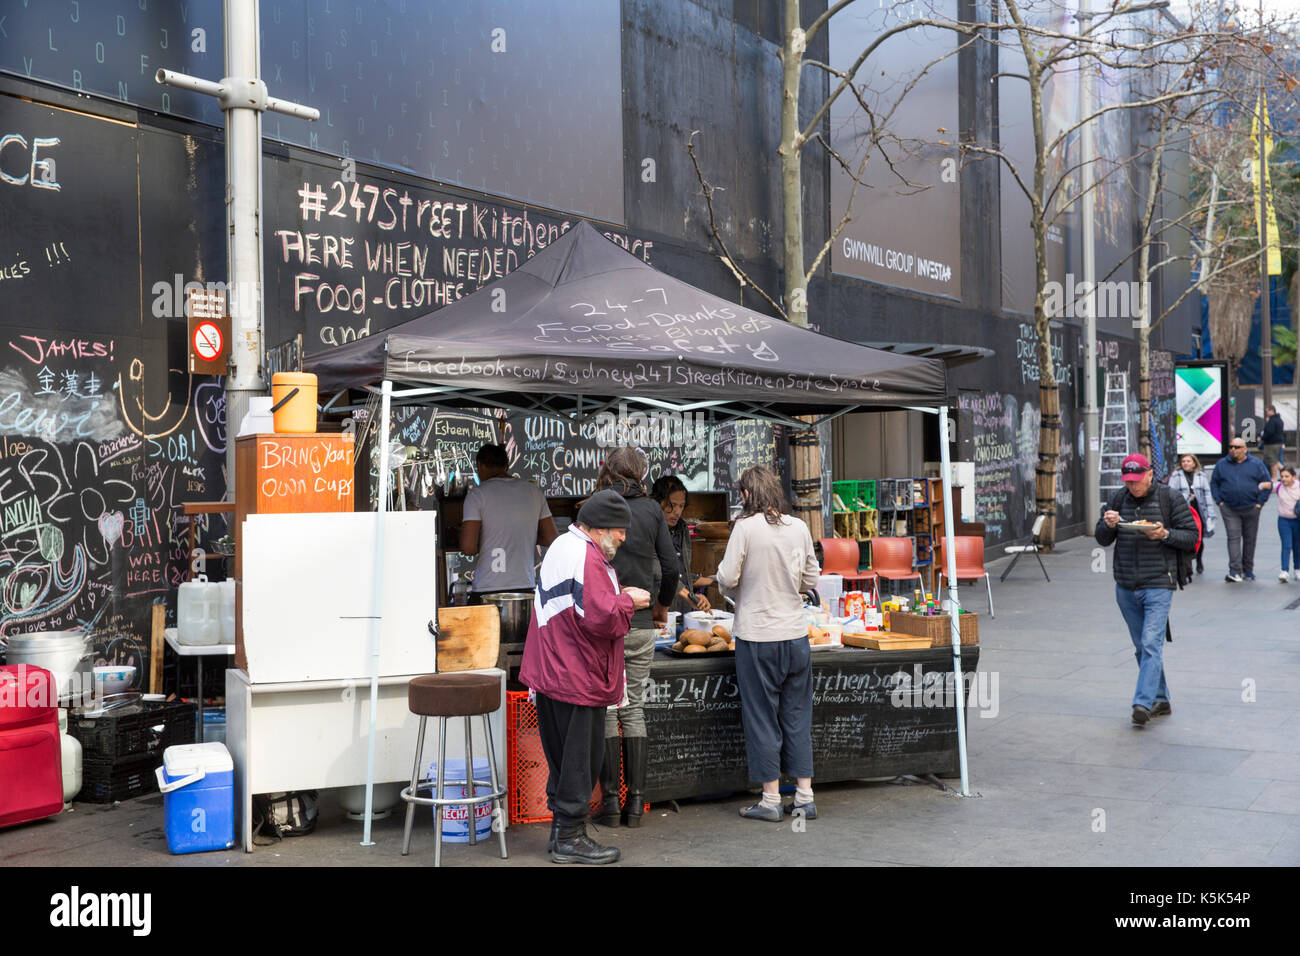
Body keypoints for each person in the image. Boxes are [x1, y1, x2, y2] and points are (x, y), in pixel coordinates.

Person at [519, 490, 651, 864]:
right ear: (600, 528)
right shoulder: (586, 556)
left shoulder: (564, 546)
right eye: (620, 530)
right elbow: (601, 618)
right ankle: (570, 839)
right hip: (576, 676)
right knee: (580, 761)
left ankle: (562, 833)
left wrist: (615, 595)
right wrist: (630, 601)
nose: (624, 538)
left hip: (555, 674)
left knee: (564, 759)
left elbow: (583, 605)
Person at [715, 465, 822, 821]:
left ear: (746, 494)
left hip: (758, 636)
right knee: (797, 715)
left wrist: (722, 582)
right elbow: (811, 577)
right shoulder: (800, 527)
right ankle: (805, 796)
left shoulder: (744, 528)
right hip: (795, 636)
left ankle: (771, 800)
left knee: (762, 717)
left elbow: (728, 577)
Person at [592, 448, 678, 828]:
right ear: (642, 473)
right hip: (641, 622)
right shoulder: (651, 510)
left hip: (603, 623)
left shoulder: (594, 507)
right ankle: (636, 803)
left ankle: (610, 803)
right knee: (635, 707)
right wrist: (661, 605)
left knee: (608, 708)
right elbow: (671, 565)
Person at [1095, 453, 1197, 725]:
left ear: (1150, 474)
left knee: (1152, 643)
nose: (1133, 487)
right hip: (1126, 585)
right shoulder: (1118, 499)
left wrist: (1165, 534)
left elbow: (1191, 537)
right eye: (1128, 482)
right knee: (1141, 646)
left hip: (1159, 583)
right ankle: (1161, 698)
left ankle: (1142, 702)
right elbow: (1102, 539)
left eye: (1137, 481)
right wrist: (1107, 524)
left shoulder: (1170, 498)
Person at [459, 443, 558, 600]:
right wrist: (525, 533)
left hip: (488, 586)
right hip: (525, 587)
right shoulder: (533, 492)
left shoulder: (477, 495)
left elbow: (468, 547)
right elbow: (551, 537)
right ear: (507, 465)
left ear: (480, 466)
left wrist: (488, 537)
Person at [1209, 438, 1273, 582]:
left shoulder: (1256, 464)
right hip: (1229, 508)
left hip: (1251, 508)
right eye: (1231, 446)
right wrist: (1219, 502)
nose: (1233, 449)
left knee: (1250, 539)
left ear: (1245, 449)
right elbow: (1214, 483)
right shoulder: (1222, 464)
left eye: (1237, 447)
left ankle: (1248, 570)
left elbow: (1268, 483)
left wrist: (1259, 504)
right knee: (1233, 538)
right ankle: (1234, 570)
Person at [650, 474, 715, 616]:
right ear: (657, 502)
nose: (678, 512)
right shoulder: (649, 529)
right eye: (672, 505)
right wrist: (689, 595)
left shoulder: (682, 529)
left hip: (682, 610)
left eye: (681, 506)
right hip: (658, 612)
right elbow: (658, 572)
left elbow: (681, 573)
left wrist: (710, 582)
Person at [1168, 454, 1217, 575]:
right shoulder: (1176, 475)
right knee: (1185, 538)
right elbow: (1171, 493)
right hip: (1183, 511)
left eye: (1188, 461)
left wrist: (1211, 513)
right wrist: (1187, 497)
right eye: (1183, 461)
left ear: (1194, 463)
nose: (1185, 463)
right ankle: (1187, 564)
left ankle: (1199, 560)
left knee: (1199, 538)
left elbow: (1207, 494)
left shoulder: (1201, 475)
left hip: (1199, 511)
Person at [1275, 465, 1300, 582]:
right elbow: (1266, 487)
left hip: (1297, 521)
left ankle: (1297, 569)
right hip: (1283, 520)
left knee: (1297, 546)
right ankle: (1284, 571)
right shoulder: (1279, 486)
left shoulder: (1298, 487)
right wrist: (1261, 486)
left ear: (1293, 477)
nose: (1284, 479)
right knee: (1286, 545)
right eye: (1282, 476)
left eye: (1287, 476)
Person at [1259, 405, 1286, 482]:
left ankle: (1274, 478)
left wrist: (1262, 437)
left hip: (1271, 444)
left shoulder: (1272, 421)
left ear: (1272, 411)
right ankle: (1284, 471)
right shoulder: (1279, 420)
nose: (1266, 413)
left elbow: (1270, 432)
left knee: (1272, 461)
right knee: (1275, 460)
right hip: (1278, 443)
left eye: (1267, 411)